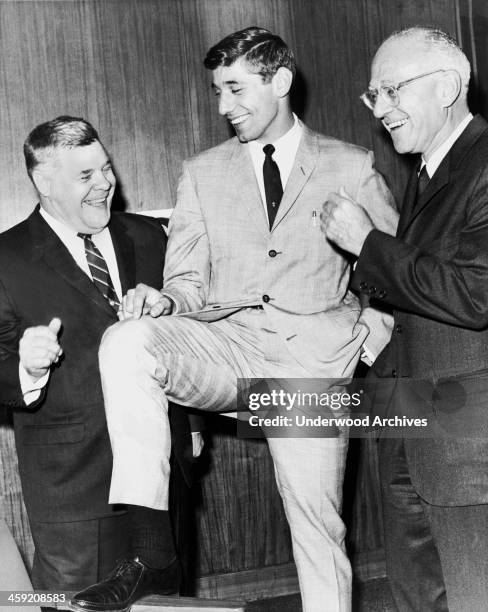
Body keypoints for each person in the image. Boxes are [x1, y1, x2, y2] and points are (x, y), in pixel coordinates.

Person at [84, 28, 397, 612]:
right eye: (217, 91)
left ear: (279, 81)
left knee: (317, 530)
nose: (224, 107)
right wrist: (165, 301)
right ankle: (151, 550)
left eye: (234, 88)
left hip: (310, 365)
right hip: (228, 349)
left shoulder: (351, 165)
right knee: (128, 341)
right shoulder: (201, 172)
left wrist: (366, 323)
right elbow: (186, 280)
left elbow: (391, 268)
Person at [322, 26, 488, 612]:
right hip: (413, 434)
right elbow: (424, 291)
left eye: (392, 90)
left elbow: (476, 294)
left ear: (448, 86)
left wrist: (369, 243)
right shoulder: (424, 172)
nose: (381, 109)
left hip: (469, 450)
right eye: (374, 97)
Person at [0, 117, 201, 598]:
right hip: (74, 485)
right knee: (77, 607)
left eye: (106, 168)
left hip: (165, 476)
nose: (105, 184)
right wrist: (26, 366)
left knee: (167, 605)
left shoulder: (151, 236)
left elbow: (191, 333)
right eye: (85, 175)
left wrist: (190, 424)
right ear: (44, 182)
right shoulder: (5, 258)